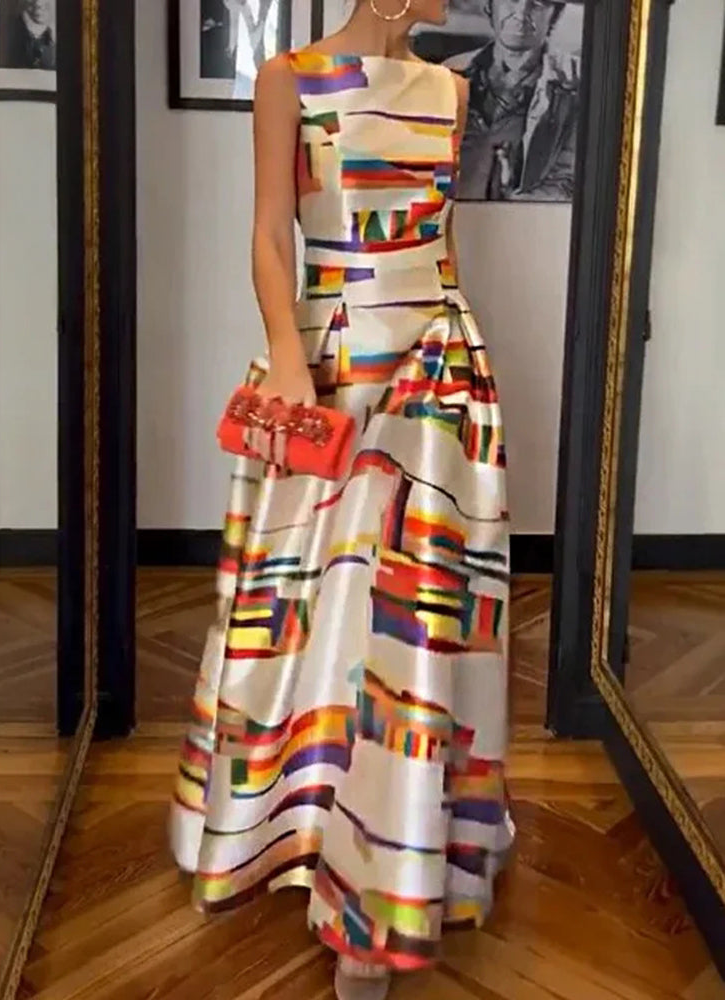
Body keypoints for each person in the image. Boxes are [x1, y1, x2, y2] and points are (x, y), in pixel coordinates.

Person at [170, 2, 512, 998]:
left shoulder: (451, 91)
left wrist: (464, 366)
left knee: (412, 621)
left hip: (437, 373)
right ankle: (293, 822)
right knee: (306, 613)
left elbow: (442, 246)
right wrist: (286, 353)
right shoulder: (292, 77)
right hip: (330, 363)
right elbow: (269, 232)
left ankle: (381, 882)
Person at [446, 0, 580, 201]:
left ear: (555, 15)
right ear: (490, 7)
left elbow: (571, 181)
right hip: (453, 215)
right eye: (511, 0)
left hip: (529, 218)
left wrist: (514, 207)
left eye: (537, 3)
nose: (521, 13)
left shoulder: (578, 82)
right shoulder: (450, 73)